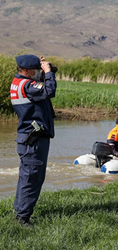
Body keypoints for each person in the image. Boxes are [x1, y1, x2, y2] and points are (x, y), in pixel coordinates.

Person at [10, 54, 57, 226]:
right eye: (36, 69)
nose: (39, 72)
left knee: (26, 178)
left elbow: (41, 90)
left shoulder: (18, 83)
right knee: (32, 178)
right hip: (34, 140)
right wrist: (48, 72)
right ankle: (23, 219)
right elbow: (49, 90)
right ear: (27, 70)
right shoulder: (28, 85)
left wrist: (47, 70)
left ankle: (20, 211)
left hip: (27, 138)